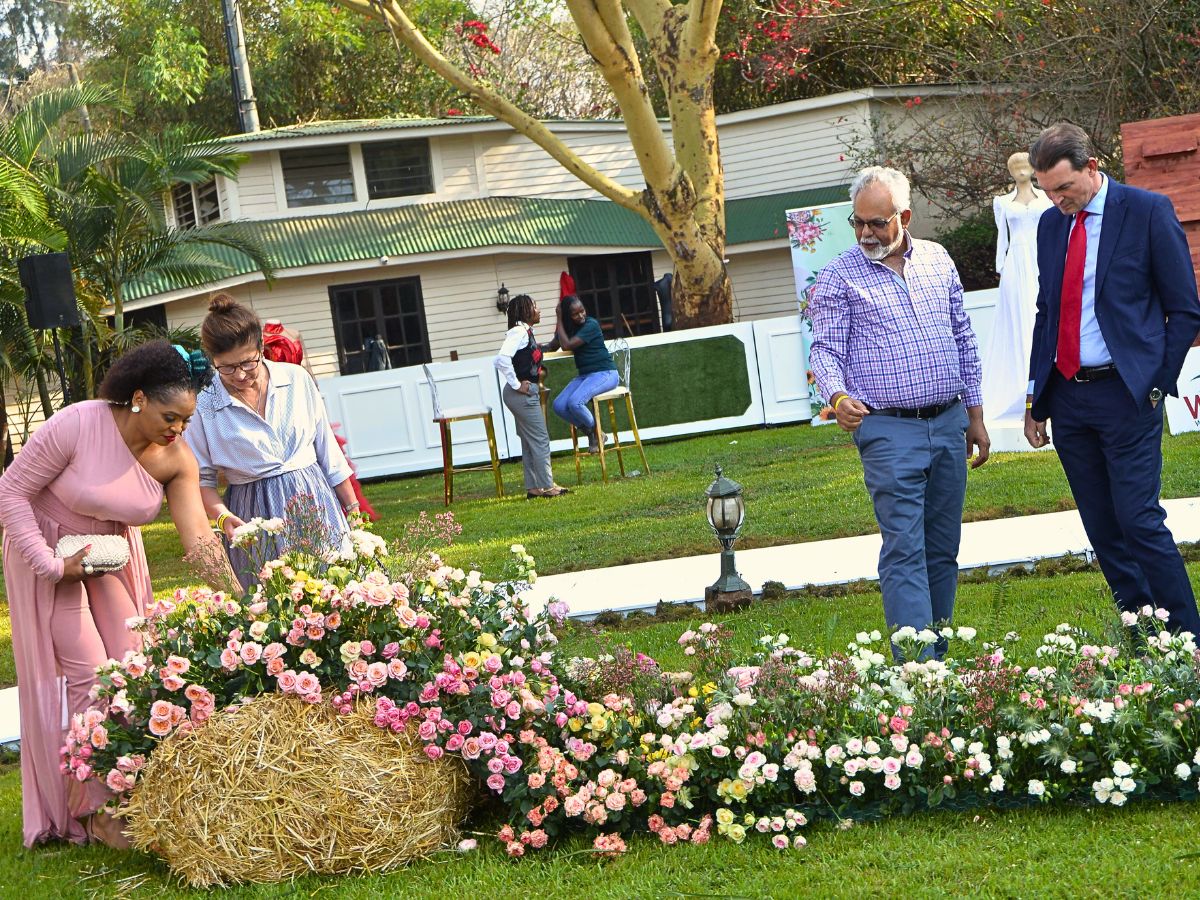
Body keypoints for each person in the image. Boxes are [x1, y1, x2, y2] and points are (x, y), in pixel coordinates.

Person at [0, 340, 228, 847]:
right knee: (86, 672)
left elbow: (198, 539)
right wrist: (52, 565)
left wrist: (237, 596)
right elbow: (11, 490)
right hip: (47, 552)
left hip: (109, 558)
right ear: (139, 398)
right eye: (171, 416)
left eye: (187, 421)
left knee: (130, 665)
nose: (178, 429)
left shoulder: (175, 458)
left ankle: (129, 792)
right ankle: (94, 811)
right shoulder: (78, 423)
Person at [1024, 122, 1200, 635]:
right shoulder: (1050, 226)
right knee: (1102, 529)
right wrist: (1037, 397)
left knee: (1138, 521)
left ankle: (1186, 640)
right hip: (1068, 398)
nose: (1057, 201)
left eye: (1064, 188)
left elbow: (1185, 311)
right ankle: (1145, 637)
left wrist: (1154, 383)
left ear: (1092, 168)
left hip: (1128, 395)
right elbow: (1046, 312)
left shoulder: (1146, 212)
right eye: (1048, 191)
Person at [808, 166, 990, 659]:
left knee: (942, 547)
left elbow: (964, 340)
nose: (866, 233)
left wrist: (974, 414)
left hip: (950, 420)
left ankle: (940, 652)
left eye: (877, 223)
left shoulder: (938, 260)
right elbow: (825, 350)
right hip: (887, 429)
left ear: (904, 216)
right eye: (858, 223)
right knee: (905, 547)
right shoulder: (838, 276)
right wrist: (838, 396)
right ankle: (917, 666)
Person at [186, 294, 358, 586]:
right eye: (226, 367)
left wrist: (354, 514)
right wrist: (223, 518)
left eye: (248, 363)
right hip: (253, 518)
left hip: (314, 502)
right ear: (212, 361)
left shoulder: (296, 380)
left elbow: (328, 452)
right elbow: (202, 481)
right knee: (271, 605)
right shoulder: (204, 405)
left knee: (334, 593)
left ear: (261, 348)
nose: (240, 374)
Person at [259, 317, 377, 522]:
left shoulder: (293, 333)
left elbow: (306, 367)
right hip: (276, 399)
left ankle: (340, 509)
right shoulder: (258, 339)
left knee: (327, 458)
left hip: (299, 393)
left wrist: (314, 393)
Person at [982, 152, 1053, 423]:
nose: (1022, 171)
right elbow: (1003, 237)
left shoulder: (1046, 198)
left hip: (1041, 259)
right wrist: (1001, 266)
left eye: (1026, 166)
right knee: (1019, 318)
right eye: (1016, 168)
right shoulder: (1002, 203)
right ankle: (1019, 384)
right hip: (1016, 263)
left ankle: (1043, 383)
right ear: (1010, 172)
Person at [494, 294, 570, 498]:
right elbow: (501, 359)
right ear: (525, 311)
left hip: (522, 394)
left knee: (529, 442)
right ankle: (547, 486)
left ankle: (534, 488)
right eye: (535, 307)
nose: (539, 310)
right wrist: (517, 384)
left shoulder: (525, 333)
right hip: (521, 395)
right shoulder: (519, 332)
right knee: (540, 439)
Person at [550, 295, 618, 452]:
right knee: (559, 405)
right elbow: (553, 345)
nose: (581, 315)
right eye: (575, 313)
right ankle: (594, 433)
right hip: (585, 376)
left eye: (582, 311)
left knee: (575, 402)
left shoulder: (591, 324)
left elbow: (566, 345)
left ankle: (595, 433)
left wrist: (559, 317)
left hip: (605, 373)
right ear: (569, 316)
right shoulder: (568, 328)